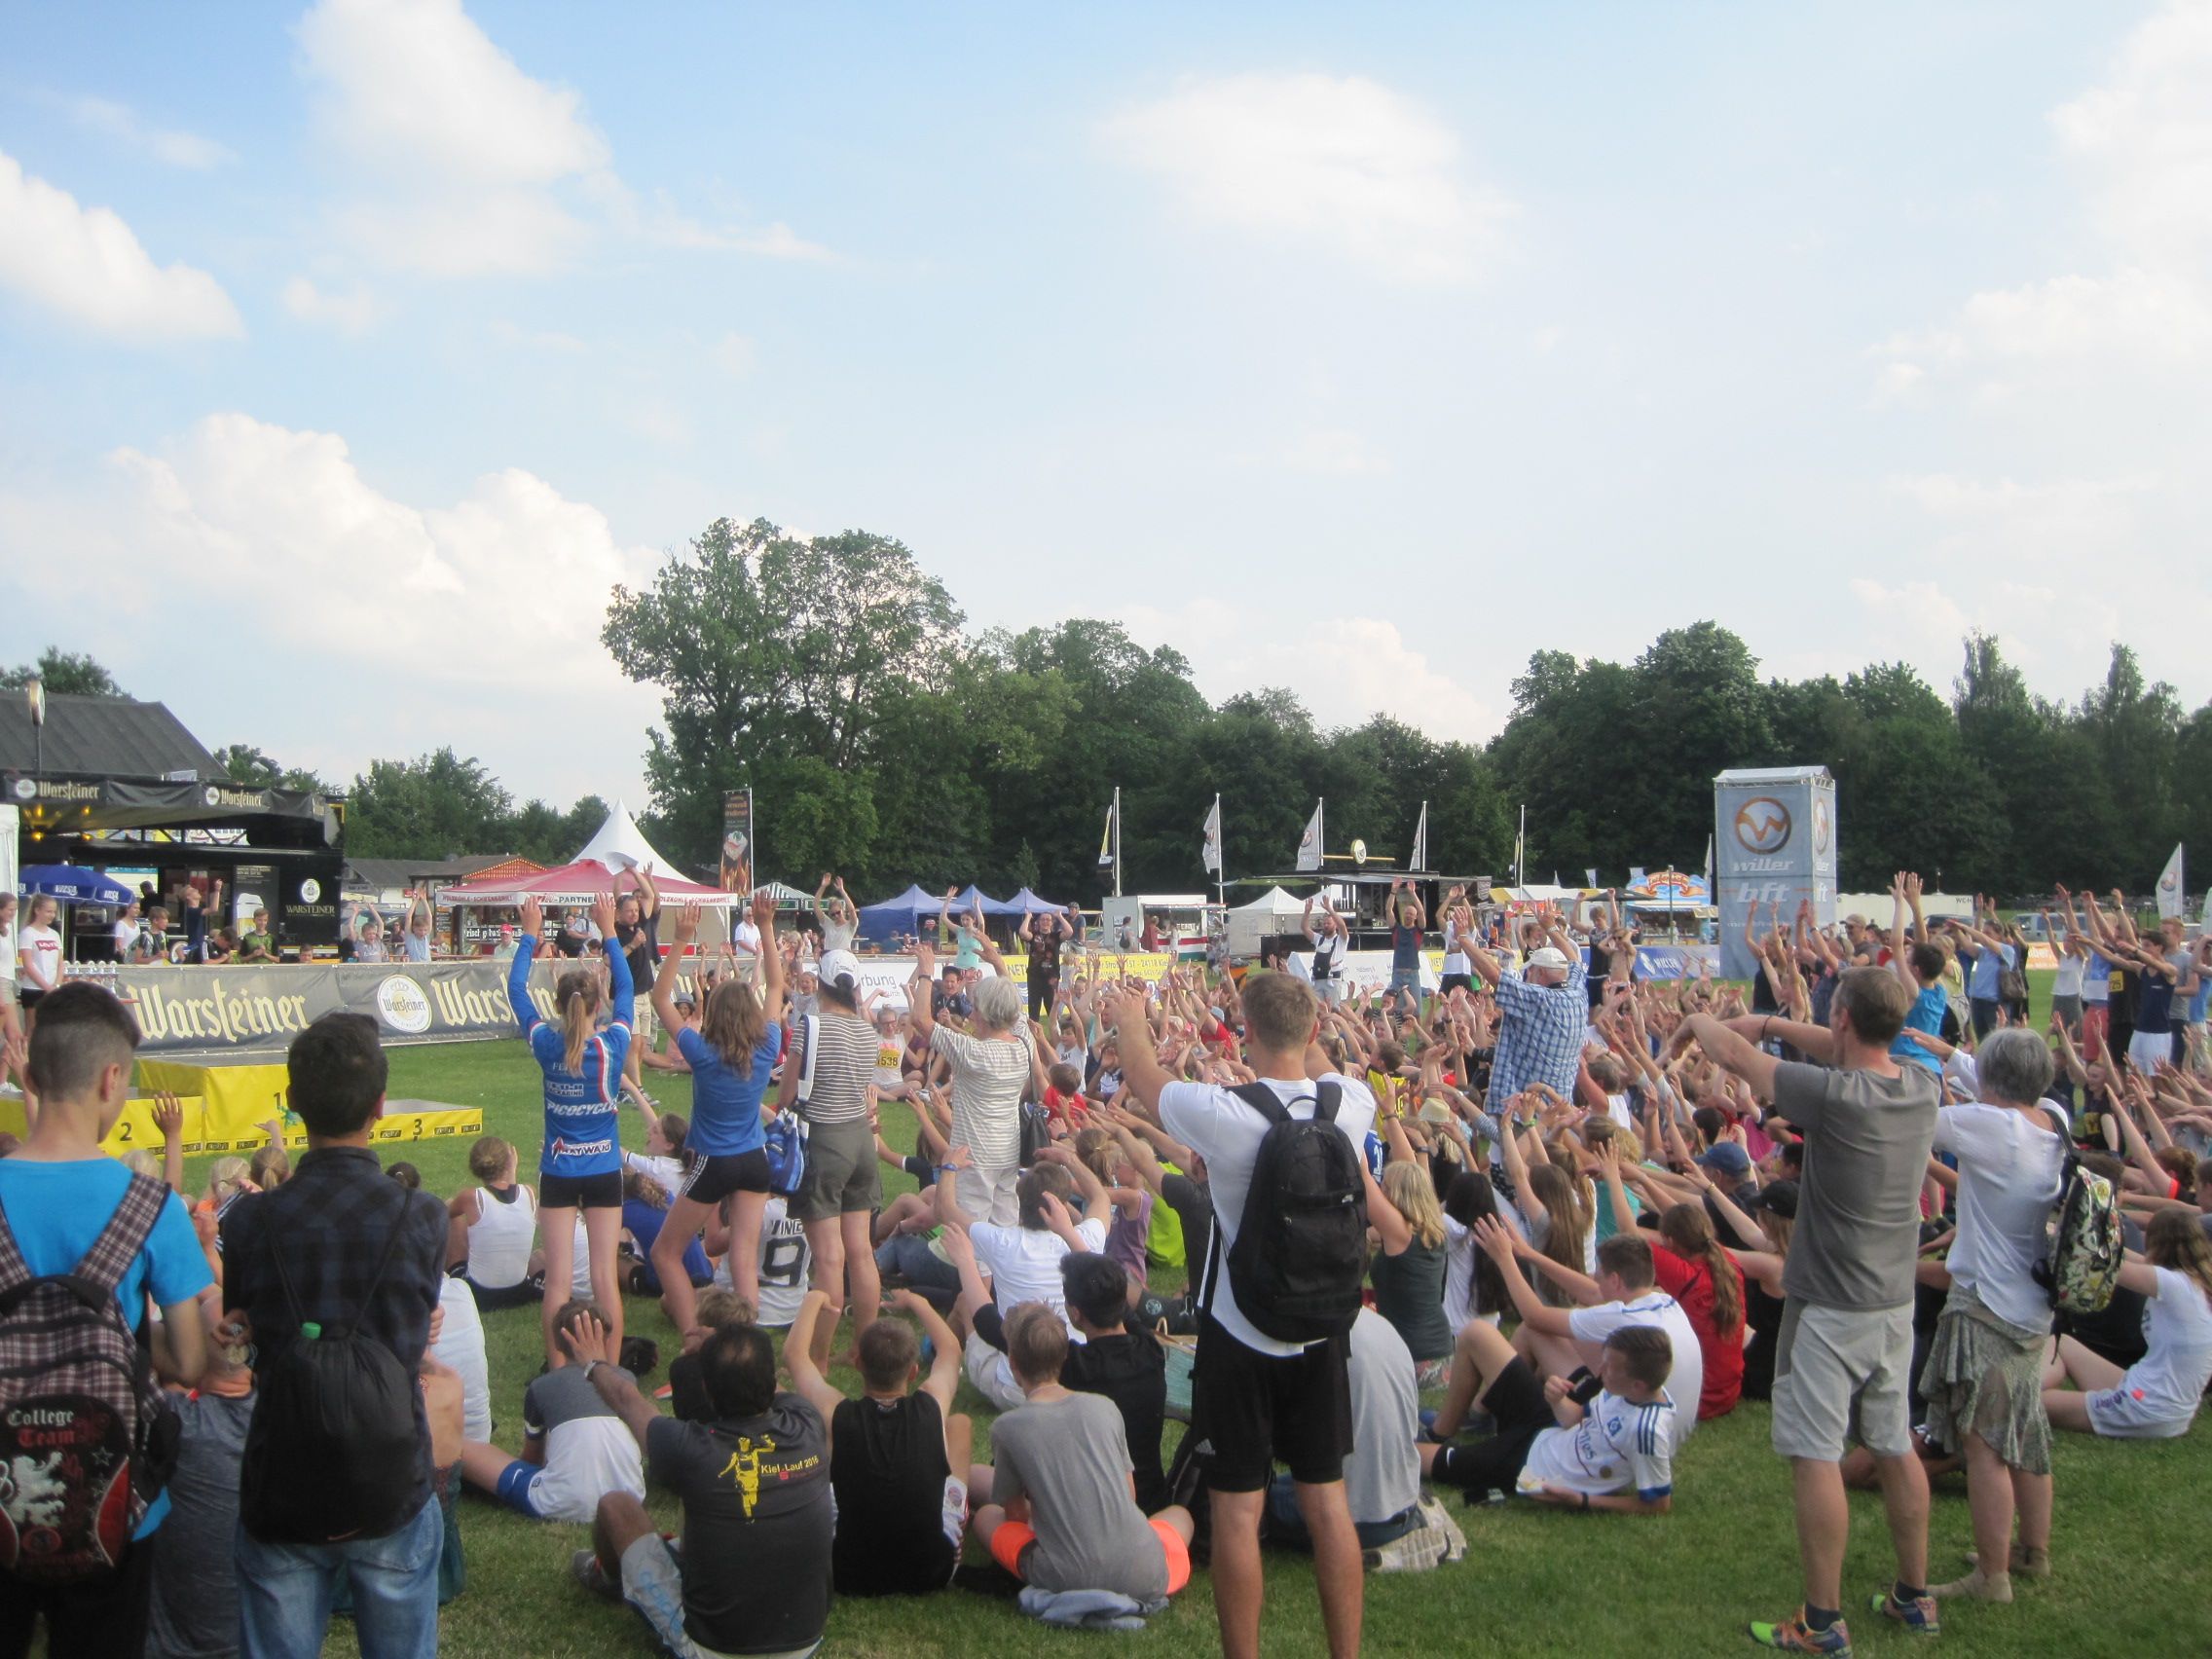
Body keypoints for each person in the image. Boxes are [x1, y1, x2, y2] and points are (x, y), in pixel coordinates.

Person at [1672, 968, 1940, 1655]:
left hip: (1831, 1305)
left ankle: (1822, 1623)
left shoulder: (1835, 1097)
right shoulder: (1920, 1085)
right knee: (1892, 1444)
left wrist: (1696, 1021)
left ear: (1841, 1018)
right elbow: (1850, 1043)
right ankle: (1915, 1597)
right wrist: (1768, 1022)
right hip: (1893, 1302)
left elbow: (1735, 1058)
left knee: (1815, 1455)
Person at [1112, 970, 1375, 1659]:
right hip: (1321, 1330)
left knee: (1237, 1508)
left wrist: (1131, 1016)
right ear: (1314, 1030)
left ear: (1246, 1031)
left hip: (1241, 1330)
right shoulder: (1352, 1103)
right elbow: (1320, 1061)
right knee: (1327, 1501)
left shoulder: (1226, 1114)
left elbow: (1143, 1077)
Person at [223, 1012, 449, 1657]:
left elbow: (241, 1324)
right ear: (380, 1105)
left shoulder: (251, 1221)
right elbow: (417, 1322)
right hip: (390, 1469)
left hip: (285, 1468)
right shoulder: (422, 1215)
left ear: (293, 1102)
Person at [0, 982, 211, 1657]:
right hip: (115, 1500)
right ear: (111, 1079)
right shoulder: (152, 1205)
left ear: (32, 1077)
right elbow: (188, 1362)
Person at [568, 1318, 833, 1659]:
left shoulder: (688, 1447)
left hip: (710, 1649)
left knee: (616, 1507)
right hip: (804, 1642)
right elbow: (767, 1384)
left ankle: (608, 1577)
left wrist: (594, 1363)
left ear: (706, 1389)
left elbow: (626, 1399)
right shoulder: (808, 1425)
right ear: (772, 1379)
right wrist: (728, 1345)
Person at [1915, 1028, 2065, 1604]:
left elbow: (1914, 1118)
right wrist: (1952, 1056)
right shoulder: (2053, 1118)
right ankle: (2033, 1551)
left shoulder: (1993, 1128)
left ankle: (1992, 1577)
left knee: (1984, 1447)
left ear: (1993, 1080)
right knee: (2026, 1428)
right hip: (2034, 1305)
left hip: (1990, 1308)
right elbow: (1998, 1084)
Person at [972, 1303, 1196, 1605]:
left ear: (1013, 1363)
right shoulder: (1105, 1407)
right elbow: (1128, 1495)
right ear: (1065, 1355)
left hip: (1064, 1577)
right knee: (1180, 1516)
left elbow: (1016, 1516)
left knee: (987, 1517)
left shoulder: (1007, 1427)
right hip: (1145, 1573)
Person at [783, 1287, 974, 1597]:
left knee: (820, 1463)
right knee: (960, 1424)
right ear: (913, 1372)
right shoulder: (932, 1406)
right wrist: (917, 1302)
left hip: (846, 1571)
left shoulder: (836, 1414)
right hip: (931, 1570)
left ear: (858, 1363)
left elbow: (795, 1356)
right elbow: (950, 1350)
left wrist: (813, 1299)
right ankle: (957, 1512)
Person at [650, 898, 784, 1335]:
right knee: (743, 1257)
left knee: (665, 1253)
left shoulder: (702, 1052)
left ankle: (694, 1336)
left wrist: (681, 940)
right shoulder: (766, 1048)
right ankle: (746, 1341)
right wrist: (766, 927)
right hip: (754, 1159)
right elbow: (777, 987)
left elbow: (660, 998)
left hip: (714, 1160)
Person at [511, 893, 630, 1367]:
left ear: (559, 1005)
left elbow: (516, 992)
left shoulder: (546, 1042)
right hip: (603, 1169)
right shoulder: (615, 1042)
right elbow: (627, 987)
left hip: (559, 1170)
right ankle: (611, 1371)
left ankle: (558, 1374)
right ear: (599, 1006)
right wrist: (610, 932)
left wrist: (529, 935)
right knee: (604, 1278)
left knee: (558, 1282)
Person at [1418, 1322, 1677, 1514]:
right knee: (1477, 1334)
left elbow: (1657, 1504)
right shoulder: (1625, 1390)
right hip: (1546, 1429)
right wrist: (1557, 1400)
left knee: (1414, 1456)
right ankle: (1438, 1433)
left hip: (1529, 1467)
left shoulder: (1647, 1431)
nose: (1601, 1370)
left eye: (1609, 1368)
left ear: (1638, 1386)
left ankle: (1437, 1447)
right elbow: (1577, 1419)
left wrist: (1581, 1501)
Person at [776, 946, 883, 1372]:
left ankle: (817, 1358)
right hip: (861, 1140)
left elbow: (787, 1093)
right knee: (861, 1253)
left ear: (819, 982)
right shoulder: (866, 1029)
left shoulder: (811, 1024)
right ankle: (864, 1352)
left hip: (824, 1140)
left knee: (829, 1259)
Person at [459, 1299, 645, 1524]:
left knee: (462, 1447)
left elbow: (533, 1460)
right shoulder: (626, 1379)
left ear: (557, 1343)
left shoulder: (542, 1386)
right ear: (606, 1339)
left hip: (564, 1502)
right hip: (630, 1497)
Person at [2043, 1207, 2212, 1441]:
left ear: (2156, 1244)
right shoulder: (2194, 1281)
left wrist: (2068, 1235)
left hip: (2145, 1409)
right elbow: (2129, 1257)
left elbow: (2104, 1265)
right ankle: (2025, 1389)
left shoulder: (2171, 1284)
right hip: (2167, 1410)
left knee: (2030, 1403)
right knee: (2062, 1343)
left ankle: (2019, 1394)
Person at [906, 937, 1042, 1229]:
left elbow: (920, 1019)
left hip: (974, 1157)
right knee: (1004, 1230)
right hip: (1008, 1152)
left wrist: (926, 971)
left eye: (975, 1008)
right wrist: (998, 963)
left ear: (984, 1015)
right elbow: (1015, 1008)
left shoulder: (971, 1052)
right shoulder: (1024, 1042)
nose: (971, 1013)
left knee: (970, 1234)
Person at [1269, 1306, 1428, 1553]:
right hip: (1404, 1502)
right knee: (1273, 1486)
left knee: (1234, 1501)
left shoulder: (1311, 1337)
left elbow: (1270, 1441)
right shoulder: (1379, 1324)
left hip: (1358, 1519)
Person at [1057, 1252, 1170, 1515]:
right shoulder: (1151, 1351)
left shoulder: (1075, 1366)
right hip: (1152, 1503)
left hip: (1096, 1509)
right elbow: (1126, 1312)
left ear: (1076, 1313)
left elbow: (995, 1329)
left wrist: (966, 1261)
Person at [1462, 907, 1589, 1131]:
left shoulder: (1539, 999)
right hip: (1559, 1106)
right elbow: (1574, 960)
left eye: (1530, 971)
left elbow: (1496, 976)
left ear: (1541, 973)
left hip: (1521, 1111)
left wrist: (1464, 939)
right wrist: (1551, 928)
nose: (1527, 976)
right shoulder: (1578, 993)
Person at [446, 1134, 542, 1309]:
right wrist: (511, 1171)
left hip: (479, 1294)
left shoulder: (471, 1197)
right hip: (518, 1291)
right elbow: (509, 1206)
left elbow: (446, 1214)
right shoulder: (529, 1192)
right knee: (537, 1255)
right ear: (508, 1163)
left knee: (452, 1212)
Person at [611, 868, 662, 1096]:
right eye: (629, 911)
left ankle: (628, 1086)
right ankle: (636, 1089)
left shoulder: (640, 924)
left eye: (635, 910)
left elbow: (650, 896)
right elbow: (610, 960)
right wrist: (632, 945)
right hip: (627, 995)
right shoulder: (615, 932)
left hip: (643, 992)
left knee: (641, 1045)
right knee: (632, 1044)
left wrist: (634, 872)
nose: (634, 914)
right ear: (619, 914)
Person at [14, 894, 62, 1014]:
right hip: (33, 988)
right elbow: (28, 965)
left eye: (54, 912)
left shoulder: (55, 934)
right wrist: (47, 987)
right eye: (48, 911)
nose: (52, 915)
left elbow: (60, 963)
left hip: (53, 988)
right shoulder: (28, 933)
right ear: (37, 910)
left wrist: (56, 985)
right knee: (33, 1024)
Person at [1301, 894, 1348, 1007]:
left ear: (1335, 925)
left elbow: (1342, 926)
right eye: (1324, 923)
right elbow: (1304, 928)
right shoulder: (1319, 939)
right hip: (1317, 979)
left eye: (1329, 923)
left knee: (1333, 1009)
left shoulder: (1341, 939)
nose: (1326, 926)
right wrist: (1307, 912)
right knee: (1318, 1011)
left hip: (1333, 980)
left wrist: (1330, 909)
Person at [1385, 878, 1427, 997]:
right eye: (1407, 913)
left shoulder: (1418, 931)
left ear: (1415, 917)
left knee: (1416, 1007)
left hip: (1412, 974)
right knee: (1397, 1006)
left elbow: (1421, 912)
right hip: (1397, 974)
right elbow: (1388, 910)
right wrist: (1393, 891)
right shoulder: (1396, 929)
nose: (1408, 915)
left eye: (1411, 914)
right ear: (1403, 914)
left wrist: (1412, 893)